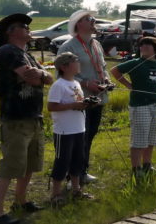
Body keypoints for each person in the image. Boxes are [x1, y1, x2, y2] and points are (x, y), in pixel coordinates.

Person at [0, 13, 53, 224]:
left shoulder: (28, 55)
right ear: (11, 32)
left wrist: (39, 74)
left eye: (27, 25)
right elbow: (34, 80)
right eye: (22, 25)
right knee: (10, 166)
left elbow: (48, 78)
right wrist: (39, 75)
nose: (27, 27)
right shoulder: (7, 51)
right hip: (15, 117)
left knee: (28, 165)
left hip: (33, 116)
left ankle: (20, 201)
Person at [57, 10, 111, 184]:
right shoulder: (68, 46)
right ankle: (74, 173)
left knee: (90, 134)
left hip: (98, 98)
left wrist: (106, 79)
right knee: (80, 137)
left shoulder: (96, 44)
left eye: (93, 19)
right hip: (80, 100)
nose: (93, 21)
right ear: (78, 24)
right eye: (89, 19)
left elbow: (103, 66)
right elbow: (62, 74)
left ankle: (82, 171)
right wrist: (86, 84)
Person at [111, 37, 156, 178]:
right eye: (141, 45)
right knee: (139, 139)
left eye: (147, 45)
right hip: (139, 105)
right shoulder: (136, 63)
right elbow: (115, 71)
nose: (143, 47)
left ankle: (147, 165)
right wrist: (128, 85)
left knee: (152, 138)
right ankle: (136, 169)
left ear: (155, 48)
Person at [48, 52, 93, 206]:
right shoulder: (58, 85)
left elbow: (77, 102)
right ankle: (55, 194)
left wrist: (87, 103)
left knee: (78, 160)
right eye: (75, 61)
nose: (79, 64)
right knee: (62, 161)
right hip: (64, 131)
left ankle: (76, 190)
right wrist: (74, 105)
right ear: (64, 67)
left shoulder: (76, 83)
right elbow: (51, 106)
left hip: (79, 128)